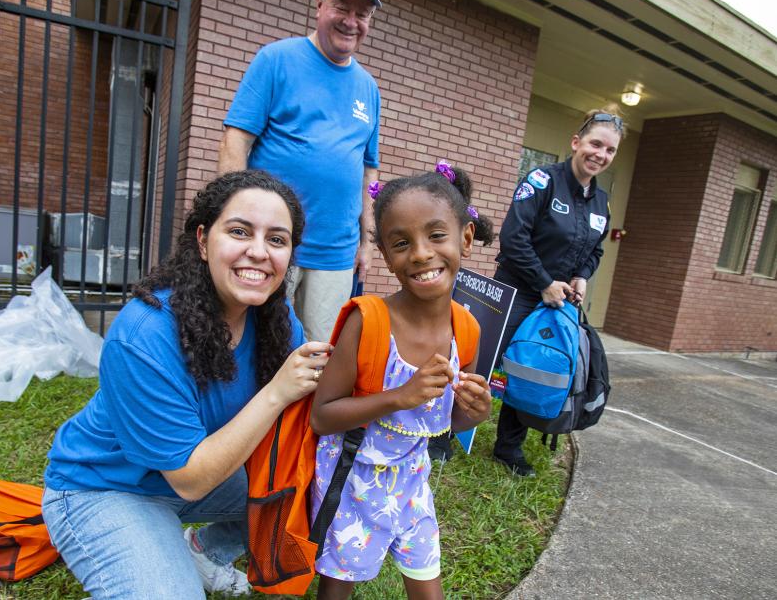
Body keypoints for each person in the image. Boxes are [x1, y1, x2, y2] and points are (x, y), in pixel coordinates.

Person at [41, 171, 333, 599]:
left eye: (277, 239)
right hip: (107, 488)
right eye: (239, 232)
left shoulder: (276, 319)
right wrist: (276, 393)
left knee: (319, 486)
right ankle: (128, 545)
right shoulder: (143, 336)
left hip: (204, 474)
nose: (258, 252)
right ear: (202, 240)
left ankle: (205, 552)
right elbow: (191, 479)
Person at [308, 164, 495, 599]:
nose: (421, 254)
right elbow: (322, 416)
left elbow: (447, 421)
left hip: (412, 483)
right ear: (386, 255)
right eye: (401, 243)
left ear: (465, 238)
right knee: (338, 588)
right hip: (353, 483)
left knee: (429, 588)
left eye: (436, 235)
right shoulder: (367, 320)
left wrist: (473, 414)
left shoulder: (465, 329)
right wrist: (398, 396)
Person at [218, 0, 382, 342]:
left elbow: (368, 173)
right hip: (271, 247)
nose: (351, 21)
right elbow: (235, 141)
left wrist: (366, 243)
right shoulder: (276, 60)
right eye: (342, 7)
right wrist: (231, 222)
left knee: (316, 357)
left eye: (363, 14)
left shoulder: (369, 89)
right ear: (320, 3)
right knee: (255, 347)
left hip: (336, 255)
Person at [492, 107, 623, 477]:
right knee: (485, 362)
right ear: (576, 142)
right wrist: (543, 282)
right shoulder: (541, 180)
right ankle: (442, 434)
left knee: (532, 367)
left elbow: (595, 249)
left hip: (557, 300)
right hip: (519, 290)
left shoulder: (601, 202)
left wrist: (582, 276)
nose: (600, 154)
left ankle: (508, 447)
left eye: (610, 150)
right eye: (595, 144)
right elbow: (513, 238)